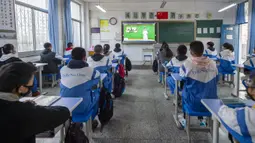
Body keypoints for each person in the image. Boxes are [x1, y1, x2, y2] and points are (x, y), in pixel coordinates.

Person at [0, 62, 70, 143]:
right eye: (30, 86)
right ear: (21, 88)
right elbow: (63, 112)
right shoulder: (23, 112)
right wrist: (31, 107)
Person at [179, 41, 218, 126]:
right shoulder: (213, 63)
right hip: (211, 103)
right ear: (203, 50)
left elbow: (182, 77)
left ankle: (185, 119)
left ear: (191, 51)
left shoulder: (187, 63)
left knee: (185, 91)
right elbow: (216, 78)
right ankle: (202, 119)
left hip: (193, 102)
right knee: (203, 90)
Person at [60, 47, 100, 127]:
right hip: (83, 106)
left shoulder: (63, 69)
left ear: (71, 56)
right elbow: (96, 81)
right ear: (84, 57)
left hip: (64, 106)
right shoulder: (90, 70)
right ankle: (92, 120)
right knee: (97, 93)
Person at [219, 72, 255, 143]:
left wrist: (222, 107)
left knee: (236, 132)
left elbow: (231, 118)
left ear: (252, 91)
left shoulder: (250, 115)